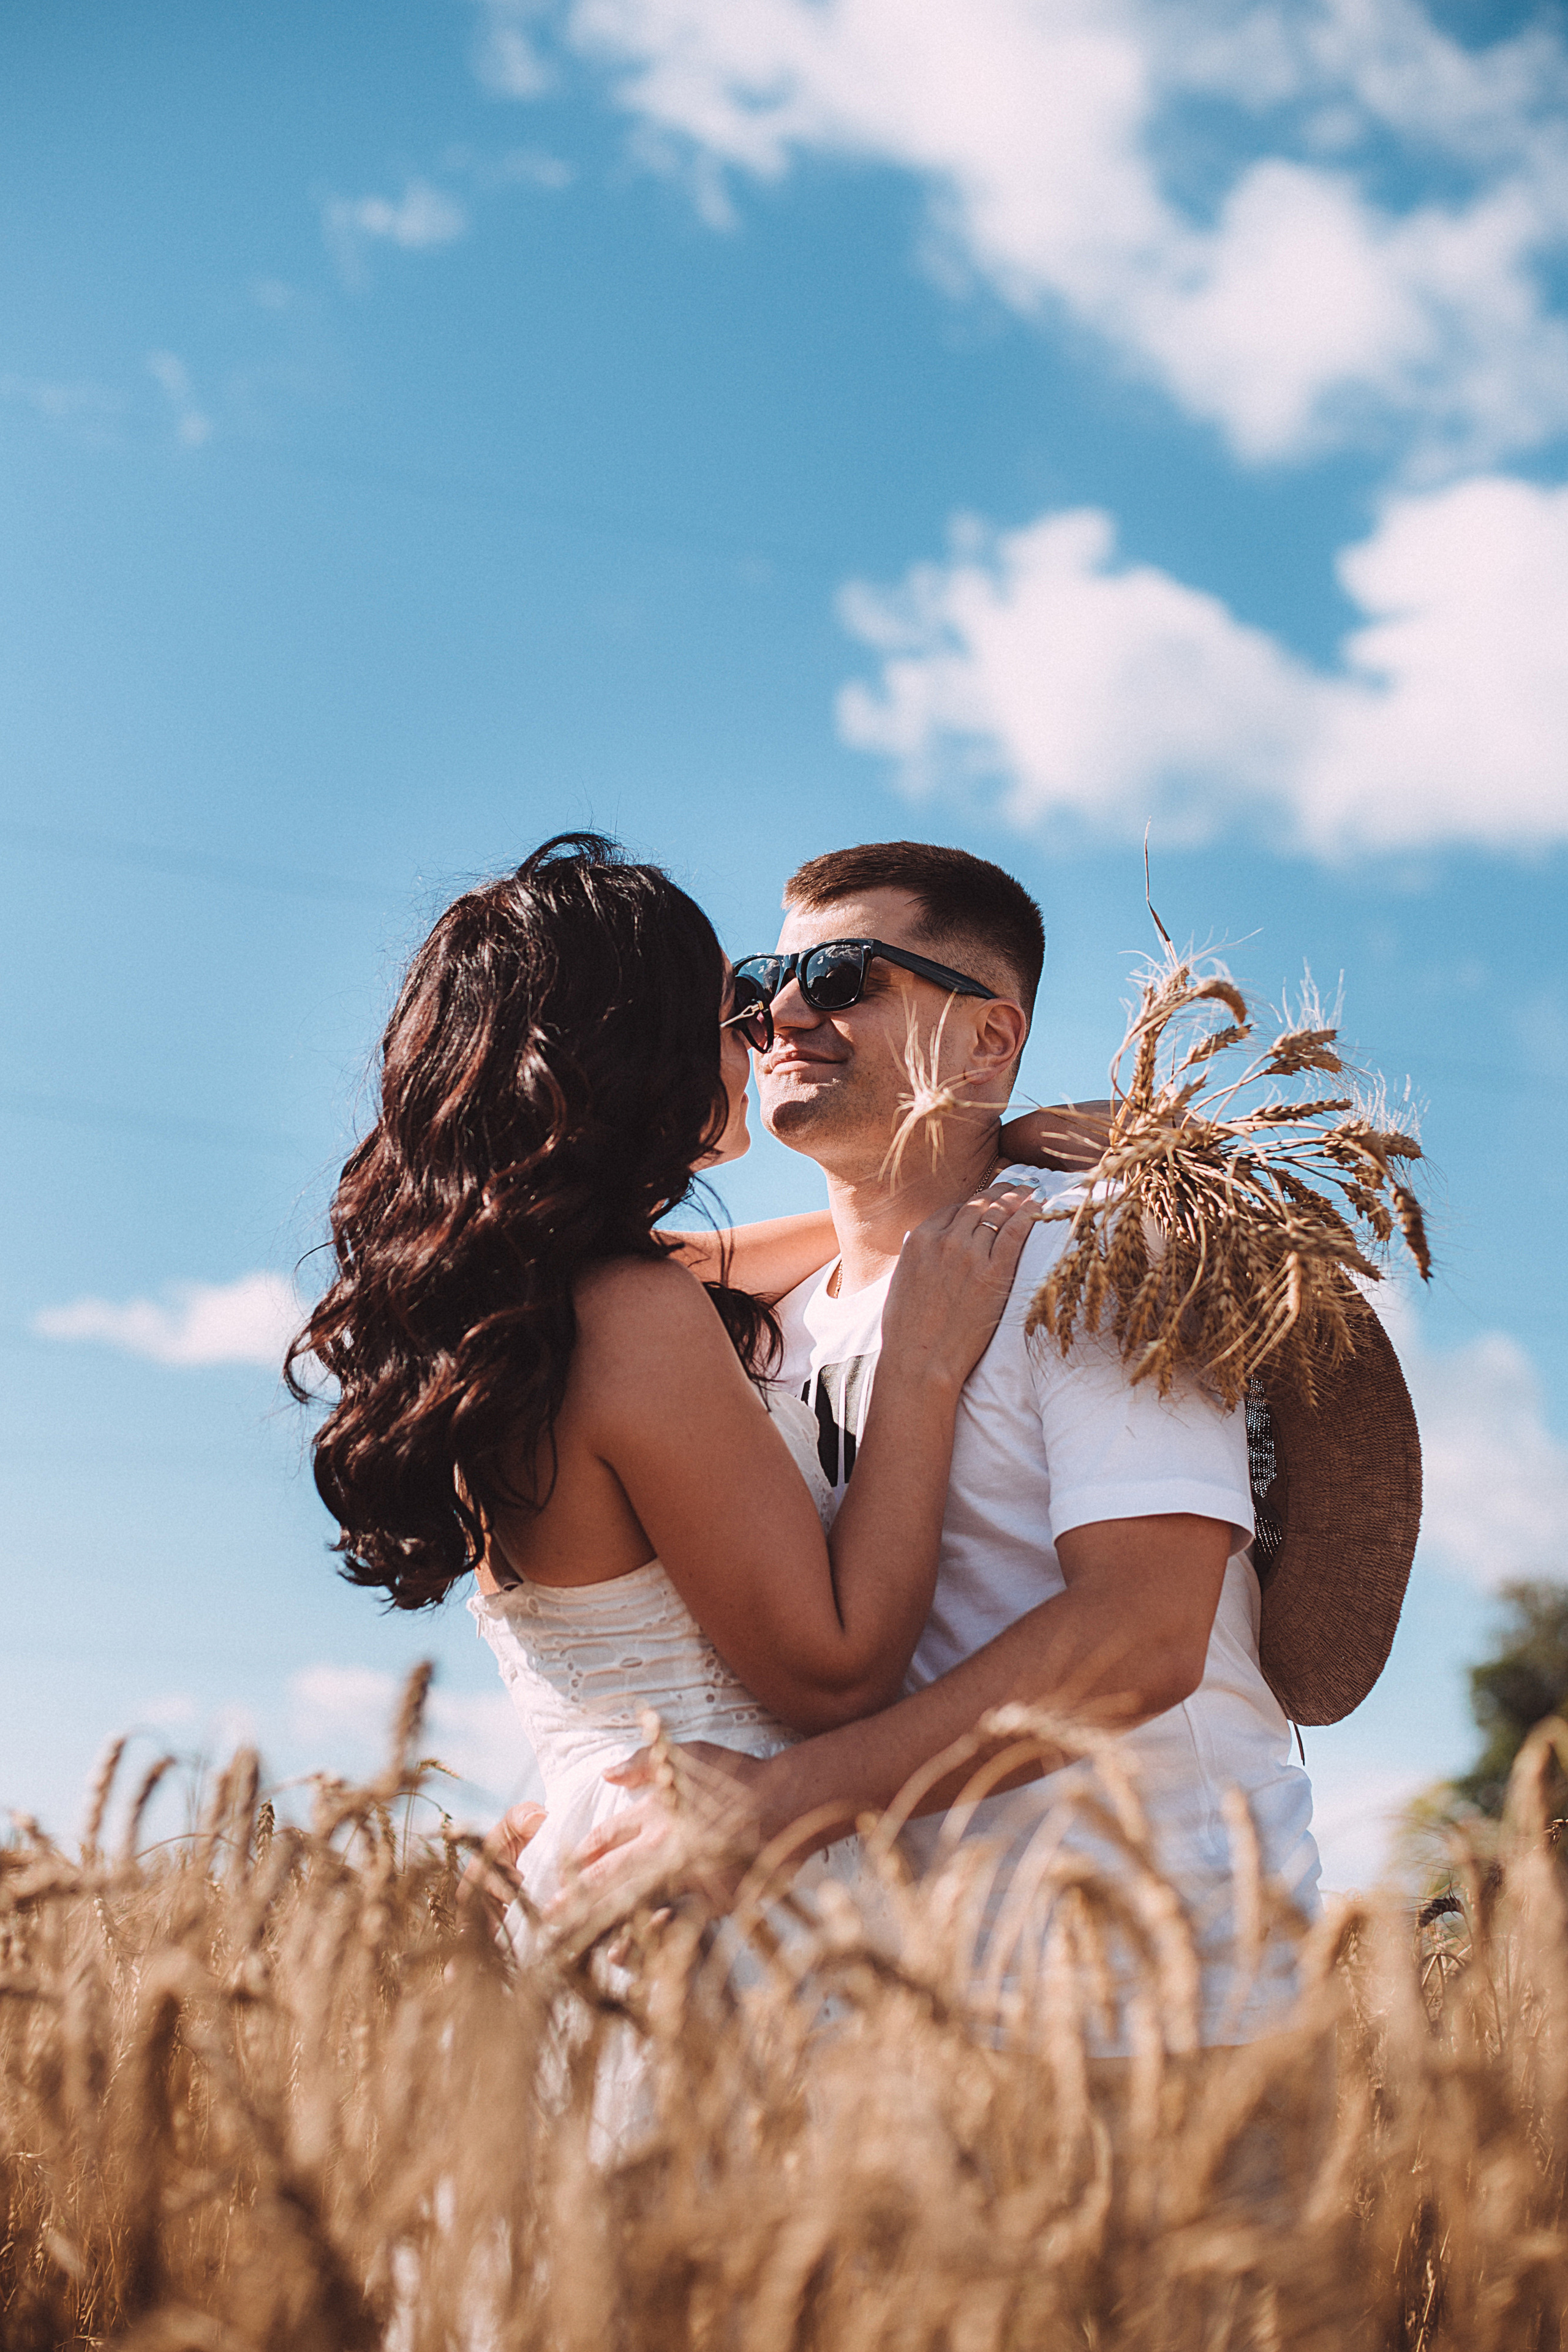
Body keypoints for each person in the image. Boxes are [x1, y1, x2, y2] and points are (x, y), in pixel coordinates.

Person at [581, 840, 1322, 2051]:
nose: (777, 1014)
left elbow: (1140, 1633)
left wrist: (775, 1806)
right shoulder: (772, 1318)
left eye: (841, 978)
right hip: (898, 2017)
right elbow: (569, 1278)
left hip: (1159, 2009)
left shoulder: (1098, 1257)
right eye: (763, 982)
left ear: (989, 1040)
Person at [287, 832, 1052, 1917]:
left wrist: (996, 1149)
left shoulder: (512, 1308)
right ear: (637, 1047)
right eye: (734, 1001)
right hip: (720, 1889)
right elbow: (837, 1672)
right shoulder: (635, 1318)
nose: (764, 1029)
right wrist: (921, 1367)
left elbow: (792, 1249)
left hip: (604, 1869)